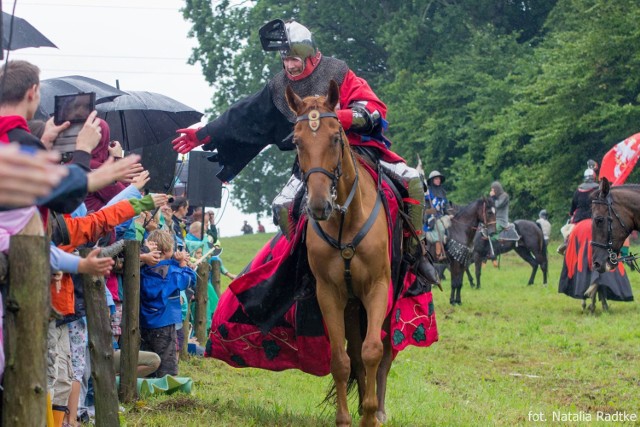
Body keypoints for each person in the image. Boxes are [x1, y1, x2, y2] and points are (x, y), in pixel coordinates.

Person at [172, 19, 436, 284]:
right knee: (283, 205)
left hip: (355, 149)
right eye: (285, 59)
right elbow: (243, 115)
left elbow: (372, 107)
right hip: (313, 162)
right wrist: (203, 133)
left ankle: (416, 255)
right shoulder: (279, 88)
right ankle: (304, 267)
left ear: (310, 55)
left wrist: (339, 118)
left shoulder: (337, 71)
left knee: (412, 180)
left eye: (294, 59)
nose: (289, 65)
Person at [139, 229, 196, 377]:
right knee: (166, 360)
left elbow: (162, 263)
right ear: (167, 250)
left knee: (148, 356)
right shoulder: (171, 272)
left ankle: (147, 383)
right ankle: (167, 386)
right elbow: (188, 281)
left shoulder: (144, 268)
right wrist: (183, 264)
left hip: (145, 322)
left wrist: (174, 261)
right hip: (165, 322)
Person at [558, 164, 599, 255]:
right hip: (595, 216)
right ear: (594, 177)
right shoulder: (598, 189)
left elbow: (574, 205)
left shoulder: (578, 190)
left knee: (565, 229)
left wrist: (571, 213)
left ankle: (566, 243)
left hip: (579, 218)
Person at [424, 170, 449, 261]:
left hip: (442, 216)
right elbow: (425, 211)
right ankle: (439, 254)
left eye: (439, 179)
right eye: (436, 179)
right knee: (440, 226)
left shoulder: (442, 192)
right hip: (431, 218)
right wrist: (433, 211)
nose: (438, 180)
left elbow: (446, 207)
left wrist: (450, 214)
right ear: (432, 181)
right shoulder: (428, 194)